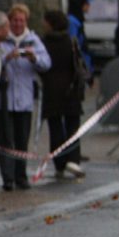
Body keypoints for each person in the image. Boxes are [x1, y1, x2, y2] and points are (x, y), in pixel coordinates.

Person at [0, 3, 51, 190]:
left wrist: (34, 58)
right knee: (5, 140)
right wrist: (7, 57)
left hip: (25, 100)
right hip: (4, 99)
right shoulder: (1, 41)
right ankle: (7, 178)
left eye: (21, 20)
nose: (18, 24)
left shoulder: (33, 41)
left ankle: (21, 175)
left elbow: (46, 63)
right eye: (14, 20)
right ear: (9, 22)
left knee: (21, 140)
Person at [41, 9, 87, 180]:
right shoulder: (70, 41)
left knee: (55, 128)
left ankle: (60, 162)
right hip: (71, 89)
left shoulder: (44, 43)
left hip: (52, 91)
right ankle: (73, 158)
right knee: (72, 127)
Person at [66, 0, 93, 77]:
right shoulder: (72, 22)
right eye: (86, 4)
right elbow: (74, 46)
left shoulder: (78, 20)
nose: (89, 6)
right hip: (78, 69)